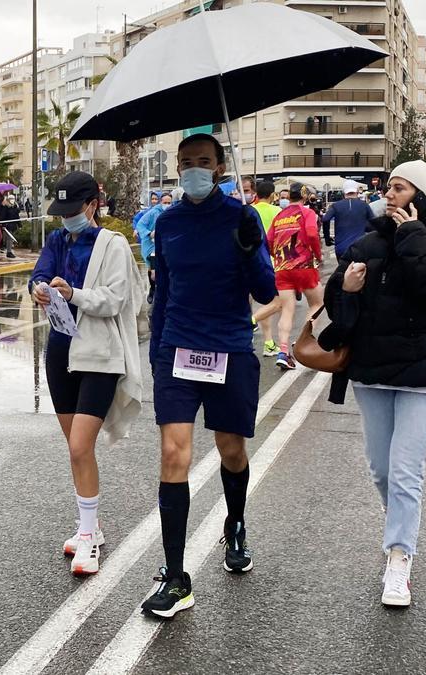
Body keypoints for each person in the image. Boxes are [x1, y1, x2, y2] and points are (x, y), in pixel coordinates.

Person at [320, 159, 426, 609]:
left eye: (400, 188)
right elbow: (336, 304)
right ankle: (401, 525)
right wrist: (346, 290)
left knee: (406, 470)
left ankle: (399, 558)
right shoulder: (366, 243)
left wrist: (411, 237)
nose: (388, 194)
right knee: (382, 469)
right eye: (388, 187)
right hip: (372, 372)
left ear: (421, 197)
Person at [141, 133, 276, 619]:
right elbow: (165, 293)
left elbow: (266, 292)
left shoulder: (240, 218)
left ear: (220, 167)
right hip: (177, 349)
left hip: (229, 349)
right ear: (177, 168)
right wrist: (157, 354)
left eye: (203, 161)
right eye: (186, 162)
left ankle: (235, 523)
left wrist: (249, 247)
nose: (194, 169)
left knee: (231, 450)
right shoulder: (168, 222)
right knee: (173, 452)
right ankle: (176, 577)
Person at [30, 171, 144, 576]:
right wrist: (39, 289)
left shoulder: (112, 245)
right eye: (60, 212)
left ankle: (91, 534)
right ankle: (87, 530)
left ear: (93, 206)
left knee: (81, 446)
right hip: (60, 350)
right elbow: (37, 275)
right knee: (76, 450)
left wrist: (72, 294)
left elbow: (115, 299)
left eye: (72, 210)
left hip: (98, 356)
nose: (66, 219)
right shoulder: (58, 239)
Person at [268, 182, 324, 371]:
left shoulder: (279, 216)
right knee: (317, 303)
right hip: (303, 266)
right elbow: (312, 234)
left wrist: (278, 258)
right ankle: (302, 340)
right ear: (305, 196)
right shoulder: (307, 213)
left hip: (282, 268)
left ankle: (283, 352)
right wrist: (318, 254)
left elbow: (268, 241)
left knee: (287, 310)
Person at [249, 180, 283, 357]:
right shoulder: (277, 212)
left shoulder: (250, 211)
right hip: (272, 262)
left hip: (251, 261)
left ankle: (268, 343)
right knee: (277, 302)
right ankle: (250, 322)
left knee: (262, 304)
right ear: (272, 195)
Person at [135, 192, 174, 303]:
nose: (167, 204)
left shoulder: (173, 213)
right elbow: (140, 224)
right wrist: (148, 233)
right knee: (153, 269)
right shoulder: (152, 213)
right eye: (165, 202)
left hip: (166, 244)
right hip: (152, 246)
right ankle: (153, 290)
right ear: (160, 202)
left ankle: (163, 290)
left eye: (169, 203)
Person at [322, 179, 373, 257]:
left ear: (343, 192)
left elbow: (325, 219)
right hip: (360, 247)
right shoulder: (364, 205)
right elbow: (374, 222)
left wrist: (327, 239)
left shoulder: (336, 206)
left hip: (341, 247)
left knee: (343, 269)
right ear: (357, 191)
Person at [2, 194, 21, 259]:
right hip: (8, 225)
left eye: (13, 199)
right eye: (11, 199)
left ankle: (8, 250)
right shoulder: (6, 207)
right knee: (9, 239)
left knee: (11, 239)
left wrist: (19, 224)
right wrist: (4, 224)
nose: (12, 200)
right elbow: (3, 216)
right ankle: (9, 252)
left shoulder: (15, 207)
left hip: (13, 225)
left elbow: (17, 216)